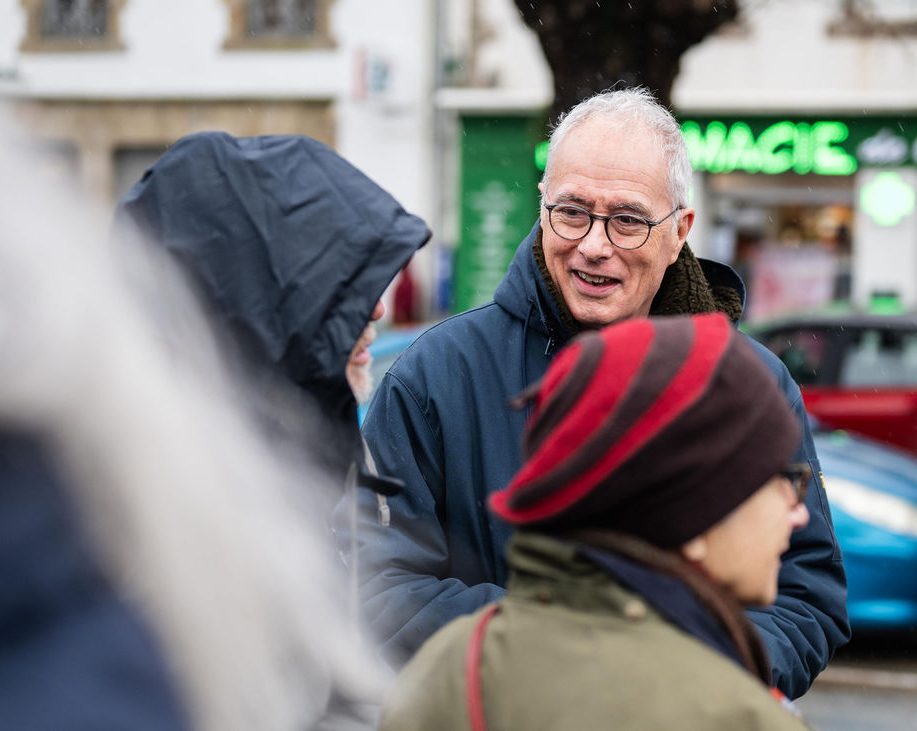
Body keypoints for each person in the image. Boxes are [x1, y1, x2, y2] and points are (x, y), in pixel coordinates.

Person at [0, 49, 390, 730]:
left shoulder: (307, 452)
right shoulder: (137, 506)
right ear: (274, 301)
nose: (379, 312)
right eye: (350, 289)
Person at [351, 87, 848, 698]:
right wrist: (559, 660)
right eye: (572, 211)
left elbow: (806, 598)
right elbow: (379, 583)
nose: (593, 243)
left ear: (679, 231)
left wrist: (688, 684)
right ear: (541, 205)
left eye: (628, 220)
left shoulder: (751, 386)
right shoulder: (435, 373)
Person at [380, 314, 812, 731]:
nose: (800, 511)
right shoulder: (736, 716)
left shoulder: (446, 673)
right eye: (783, 481)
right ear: (694, 517)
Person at [114, 132, 430, 508]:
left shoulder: (283, 464)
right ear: (263, 303)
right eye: (338, 288)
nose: (377, 310)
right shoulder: (188, 503)